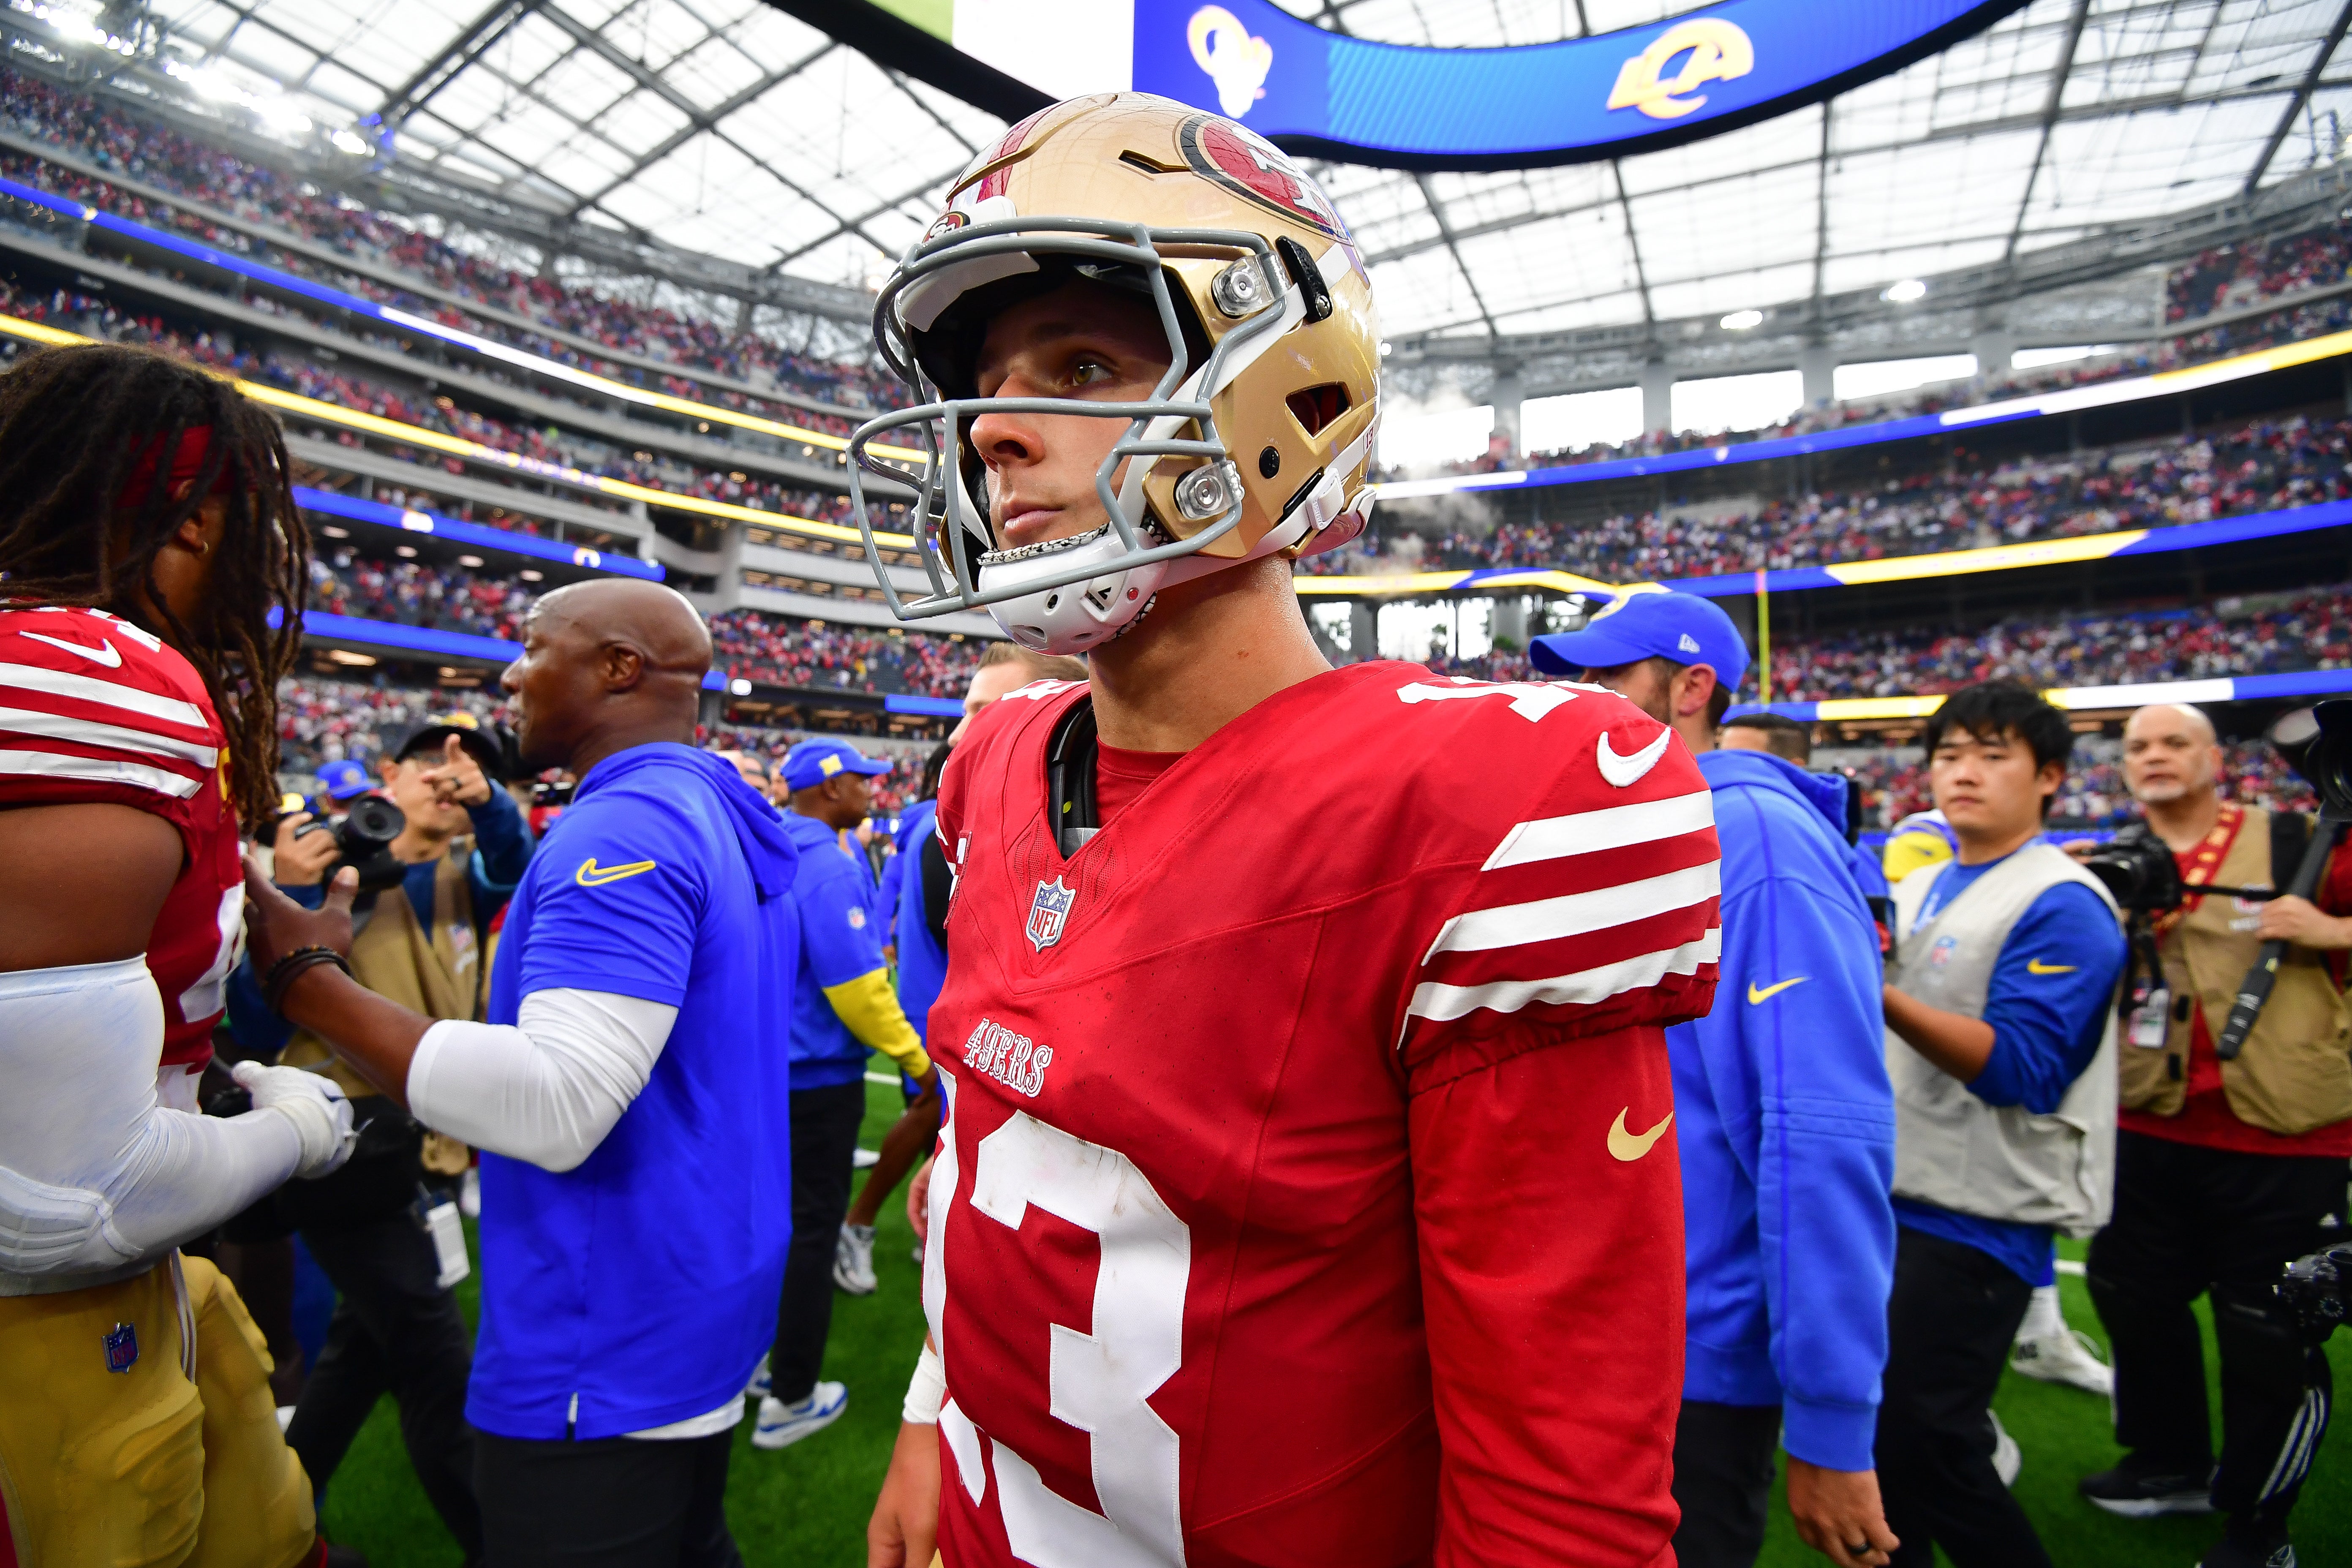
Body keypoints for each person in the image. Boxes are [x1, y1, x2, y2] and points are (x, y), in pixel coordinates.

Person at [859, 92, 1720, 1568]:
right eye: (985, 382)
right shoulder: (995, 762)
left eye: (1080, 365)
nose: (990, 428)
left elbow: (1559, 1483)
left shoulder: (1478, 811)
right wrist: (937, 1411)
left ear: (1285, 394)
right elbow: (993, 1160)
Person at [243, 577, 801, 1567]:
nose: (509, 674)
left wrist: (309, 983)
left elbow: (559, 1100)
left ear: (620, 667)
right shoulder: (709, 805)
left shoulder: (626, 825)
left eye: (535, 646)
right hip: (696, 1289)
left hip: (610, 1325)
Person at [0, 341, 356, 1568]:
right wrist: (296, 1126)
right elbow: (65, 1203)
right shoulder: (89, 676)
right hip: (42, 1339)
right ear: (198, 520)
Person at [1538, 594, 1900, 1568]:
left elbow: (1817, 1129)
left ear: (1692, 687)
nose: (1581, 697)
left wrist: (1831, 1415)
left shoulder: (1756, 838)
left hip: (1695, 1350)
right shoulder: (1645, 821)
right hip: (1608, 1324)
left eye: (1608, 675)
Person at [251, 713, 534, 1557]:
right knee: (432, 1355)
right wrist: (295, 894)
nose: (446, 782)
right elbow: (251, 1020)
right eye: (429, 766)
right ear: (387, 774)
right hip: (341, 1140)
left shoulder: (460, 870)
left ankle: (273, 1518)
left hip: (425, 1137)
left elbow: (513, 862)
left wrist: (491, 806)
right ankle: (500, 1543)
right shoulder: (318, 870)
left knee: (361, 1352)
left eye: (466, 772)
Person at [2077, 702, 2352, 1568]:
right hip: (2147, 1121)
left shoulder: (2298, 840)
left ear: (2215, 759)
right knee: (2131, 1295)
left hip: (2283, 1132)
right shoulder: (2115, 856)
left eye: (2175, 742)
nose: (2155, 756)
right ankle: (2170, 1463)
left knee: (2267, 1329)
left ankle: (2257, 1527)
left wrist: (2331, 930)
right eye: (2138, 746)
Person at [1874, 679, 2128, 1568]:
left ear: (2050, 775)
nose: (1964, 773)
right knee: (1887, 1447)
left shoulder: (2064, 900)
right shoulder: (1927, 880)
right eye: (1948, 755)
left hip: (1980, 1209)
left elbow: (2022, 1069)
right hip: (1903, 1187)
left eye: (1992, 754)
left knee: (1932, 1443)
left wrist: (1875, 991)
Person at [755, 737, 937, 1450]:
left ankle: (758, 1362)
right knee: (810, 1233)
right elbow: (858, 988)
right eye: (862, 780)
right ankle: (792, 1395)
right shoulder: (826, 863)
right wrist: (916, 1059)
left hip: (766, 1069)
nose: (872, 790)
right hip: (818, 1078)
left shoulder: (767, 844)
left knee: (770, 1224)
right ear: (830, 789)